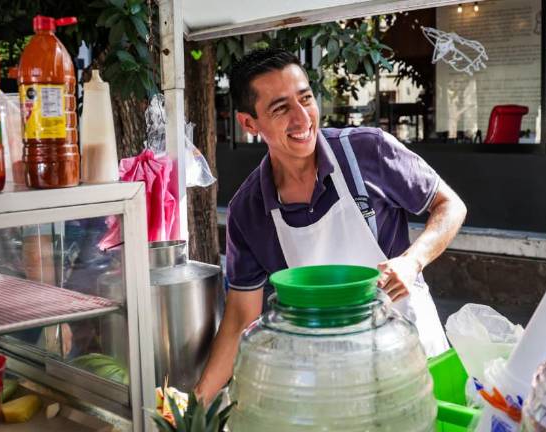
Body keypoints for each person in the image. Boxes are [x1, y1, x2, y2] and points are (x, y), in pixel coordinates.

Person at [195, 48, 467, 402]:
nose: (302, 118)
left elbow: (450, 205)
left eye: (305, 98)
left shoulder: (367, 151)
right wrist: (193, 405)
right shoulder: (248, 210)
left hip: (410, 353)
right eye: (280, 108)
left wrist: (412, 260)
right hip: (334, 381)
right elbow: (239, 319)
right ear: (249, 123)